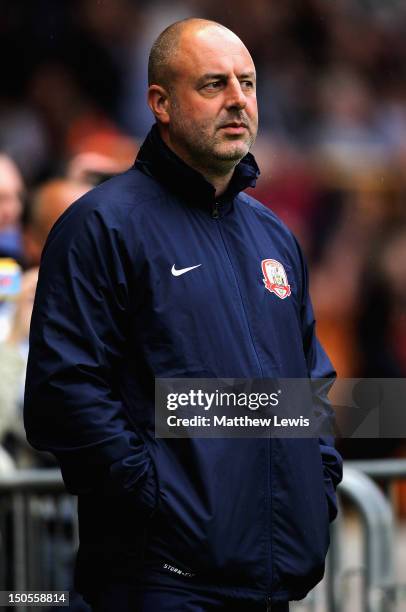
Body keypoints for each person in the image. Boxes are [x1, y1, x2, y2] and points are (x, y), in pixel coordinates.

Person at [24, 18, 342, 612]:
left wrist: (315, 487)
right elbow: (63, 395)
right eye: (213, 84)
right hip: (160, 581)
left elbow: (309, 387)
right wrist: (156, 500)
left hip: (271, 580)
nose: (237, 101)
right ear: (160, 103)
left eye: (247, 84)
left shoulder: (274, 237)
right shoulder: (102, 226)